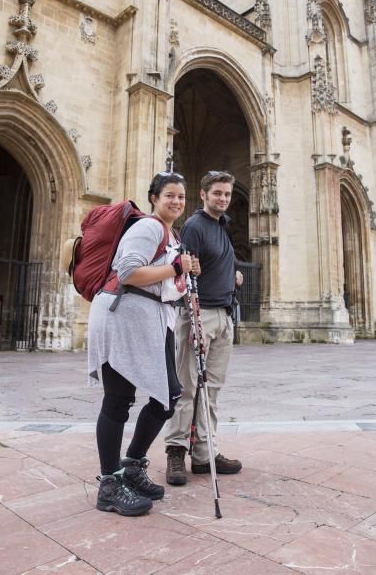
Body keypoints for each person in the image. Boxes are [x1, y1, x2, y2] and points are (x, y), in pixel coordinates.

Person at [88, 172, 200, 517]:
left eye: (181, 196)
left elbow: (166, 286)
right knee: (119, 399)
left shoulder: (171, 235)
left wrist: (182, 279)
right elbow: (128, 273)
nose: (176, 202)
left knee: (168, 396)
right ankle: (109, 484)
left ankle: (132, 465)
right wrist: (178, 266)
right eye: (170, 195)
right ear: (154, 198)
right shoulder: (148, 228)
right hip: (122, 318)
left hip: (152, 320)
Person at [165, 170, 243, 485]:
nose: (222, 198)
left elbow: (214, 265)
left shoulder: (222, 228)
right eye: (217, 193)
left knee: (211, 390)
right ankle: (175, 452)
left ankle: (204, 454)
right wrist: (193, 317)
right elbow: (185, 276)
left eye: (226, 194)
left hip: (224, 315)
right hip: (200, 314)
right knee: (187, 387)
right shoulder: (196, 226)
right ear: (203, 195)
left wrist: (235, 274)